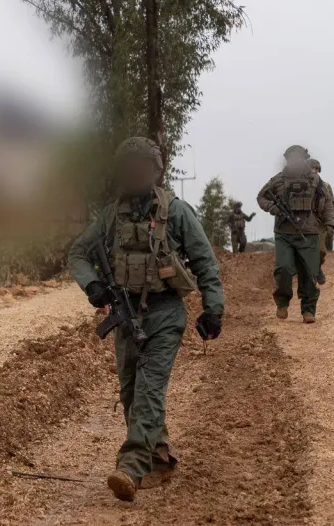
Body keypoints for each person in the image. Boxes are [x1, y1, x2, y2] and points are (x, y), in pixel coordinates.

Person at [68, 137, 226, 502]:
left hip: (165, 313)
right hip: (125, 315)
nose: (135, 172)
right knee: (130, 392)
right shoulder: (111, 216)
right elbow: (77, 253)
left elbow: (205, 262)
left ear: (156, 170)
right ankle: (160, 457)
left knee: (149, 390)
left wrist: (213, 309)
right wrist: (93, 285)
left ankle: (132, 466)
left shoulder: (176, 212)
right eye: (129, 166)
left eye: (142, 166)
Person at [257, 145, 334, 324]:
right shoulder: (278, 179)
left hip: (309, 232)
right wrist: (273, 208)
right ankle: (282, 302)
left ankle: (308, 310)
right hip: (284, 233)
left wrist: (329, 224)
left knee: (309, 273)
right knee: (283, 269)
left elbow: (327, 203)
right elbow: (261, 197)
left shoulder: (315, 180)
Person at [307, 158, 334, 284]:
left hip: (320, 223)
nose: (314, 171)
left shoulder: (325, 187)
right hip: (304, 223)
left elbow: (331, 206)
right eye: (312, 169)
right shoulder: (302, 185)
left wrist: (330, 223)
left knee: (321, 251)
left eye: (316, 169)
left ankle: (317, 268)